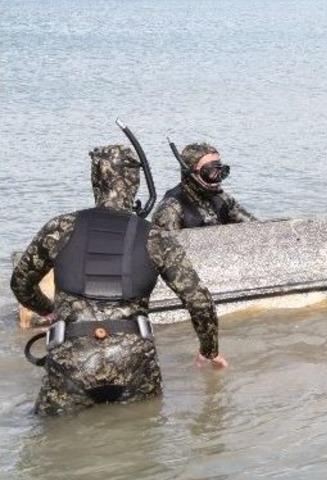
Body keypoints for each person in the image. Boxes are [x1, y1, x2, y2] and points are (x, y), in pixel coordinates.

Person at [10, 144, 228, 416]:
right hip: (135, 363)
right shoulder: (156, 238)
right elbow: (199, 301)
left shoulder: (60, 228)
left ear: (95, 180)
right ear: (135, 183)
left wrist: (47, 310)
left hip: (71, 363)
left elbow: (20, 283)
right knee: (142, 448)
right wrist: (209, 350)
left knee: (51, 444)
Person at [152, 142, 256, 230]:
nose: (217, 179)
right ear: (191, 174)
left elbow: (254, 227)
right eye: (210, 171)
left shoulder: (223, 199)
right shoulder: (171, 209)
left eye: (221, 172)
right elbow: (163, 250)